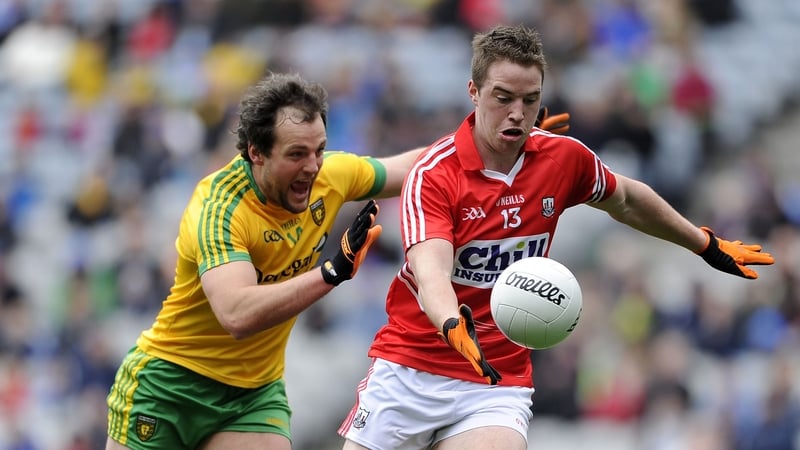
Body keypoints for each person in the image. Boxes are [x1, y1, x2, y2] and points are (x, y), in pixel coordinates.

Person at [338, 24, 775, 450]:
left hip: (494, 378)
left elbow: (626, 199)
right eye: (503, 98)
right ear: (473, 93)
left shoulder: (562, 159)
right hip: (411, 369)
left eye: (530, 101)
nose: (517, 113)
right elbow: (431, 269)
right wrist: (451, 322)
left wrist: (702, 243)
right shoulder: (434, 175)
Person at [102, 69, 572, 449]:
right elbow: (236, 314)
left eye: (320, 150)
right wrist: (329, 274)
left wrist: (499, 143)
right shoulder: (219, 208)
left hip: (252, 393)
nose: (313, 165)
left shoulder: (330, 175)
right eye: (297, 154)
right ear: (255, 154)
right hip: (169, 385)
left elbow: (416, 168)